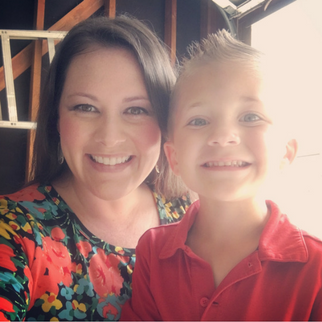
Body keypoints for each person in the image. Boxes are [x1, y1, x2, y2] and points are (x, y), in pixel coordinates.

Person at [120, 30, 322, 321]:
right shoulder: (152, 250)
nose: (223, 136)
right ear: (174, 157)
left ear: (286, 152)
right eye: (199, 120)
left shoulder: (314, 267)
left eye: (250, 117)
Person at [0, 16, 191, 321]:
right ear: (56, 119)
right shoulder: (11, 230)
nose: (109, 137)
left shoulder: (193, 214)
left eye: (136, 110)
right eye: (85, 108)